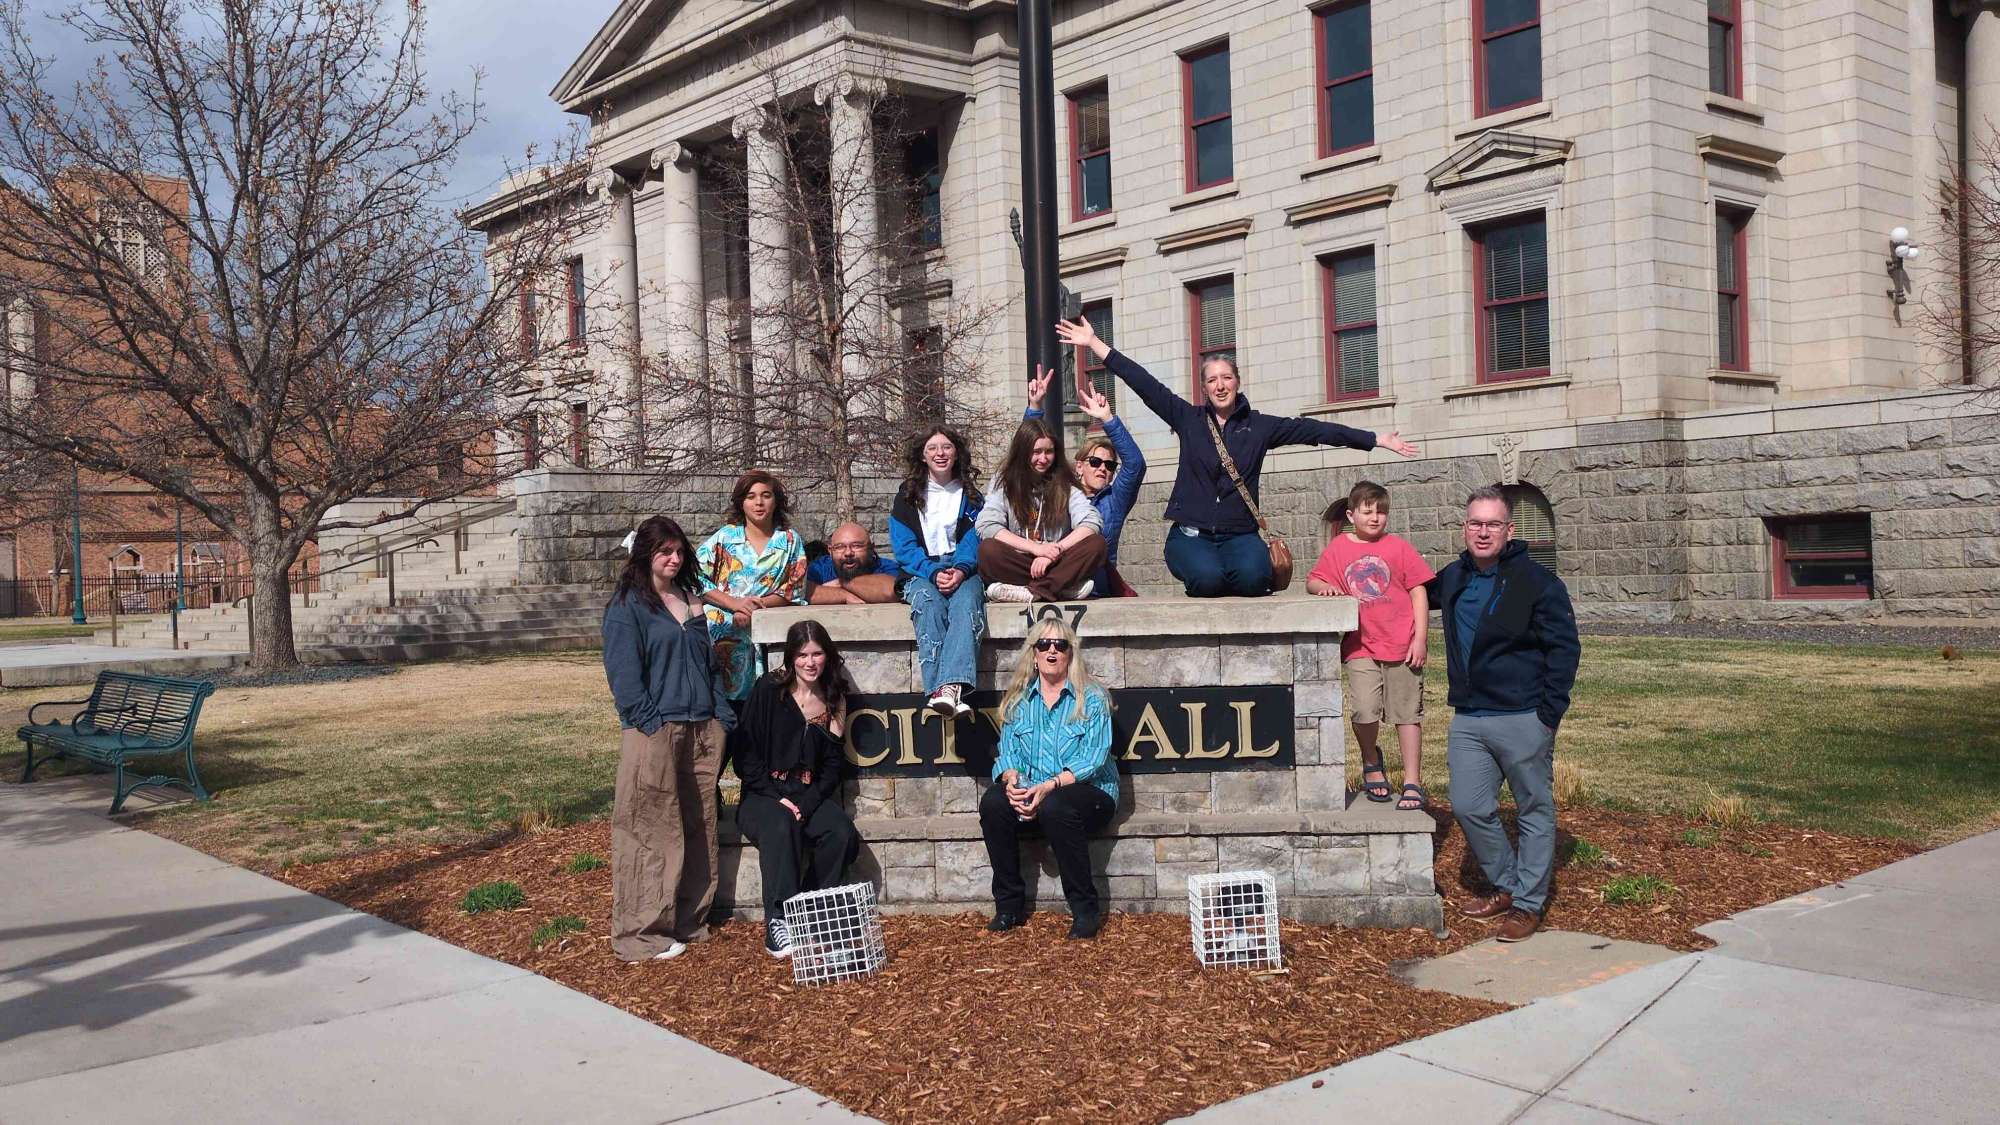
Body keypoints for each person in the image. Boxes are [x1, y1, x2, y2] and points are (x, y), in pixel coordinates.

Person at [1054, 317, 1420, 597]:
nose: (1220, 385)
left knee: (1255, 579)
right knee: (1207, 580)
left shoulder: (1259, 427)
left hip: (1240, 534)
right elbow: (1145, 384)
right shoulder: (1188, 419)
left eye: (1226, 378)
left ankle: (1234, 568)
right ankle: (1204, 571)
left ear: (1237, 382)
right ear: (1204, 387)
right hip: (1191, 534)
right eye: (1212, 380)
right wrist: (1095, 343)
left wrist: (1374, 439)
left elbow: (1315, 431)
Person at [1429, 486, 1580, 943]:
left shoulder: (1537, 582)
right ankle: (1510, 885)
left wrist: (1548, 714)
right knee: (1469, 806)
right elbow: (1404, 590)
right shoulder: (1453, 576)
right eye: (1476, 523)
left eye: (1493, 524)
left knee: (1533, 808)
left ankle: (1529, 905)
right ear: (1464, 527)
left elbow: (1564, 649)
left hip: (1523, 715)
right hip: (1469, 717)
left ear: (1509, 530)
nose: (1483, 532)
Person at [601, 515, 736, 963]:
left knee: (698, 827)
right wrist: (650, 722)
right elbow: (624, 675)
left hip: (702, 728)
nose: (674, 559)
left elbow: (708, 666)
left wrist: (721, 716)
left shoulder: (692, 601)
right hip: (654, 730)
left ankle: (687, 920)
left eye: (679, 551)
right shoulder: (628, 605)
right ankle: (642, 933)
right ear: (645, 554)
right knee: (650, 829)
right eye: (665, 552)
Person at [979, 618, 1118, 940]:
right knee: (994, 803)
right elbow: (1008, 753)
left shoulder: (1092, 698)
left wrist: (1049, 786)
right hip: (1036, 788)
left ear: (1071, 653)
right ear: (1034, 653)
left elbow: (1094, 758)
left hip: (1089, 791)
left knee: (1056, 806)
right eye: (1044, 644)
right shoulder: (1018, 700)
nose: (1052, 651)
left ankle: (1084, 910)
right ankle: (1008, 907)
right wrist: (1012, 782)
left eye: (1060, 645)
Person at [731, 619, 862, 959]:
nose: (810, 662)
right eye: (802, 655)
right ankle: (779, 919)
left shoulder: (834, 697)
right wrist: (779, 798)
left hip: (806, 793)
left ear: (827, 655)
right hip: (762, 793)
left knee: (841, 833)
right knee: (780, 823)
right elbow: (745, 756)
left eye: (817, 654)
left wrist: (806, 802)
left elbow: (832, 767)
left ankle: (809, 909)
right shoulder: (768, 689)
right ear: (791, 657)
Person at [1306, 482, 1435, 811]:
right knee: (1364, 710)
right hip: (1360, 645)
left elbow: (1419, 592)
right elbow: (1314, 580)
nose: (1375, 518)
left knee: (1407, 714)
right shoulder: (1339, 548)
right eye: (1367, 512)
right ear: (1351, 515)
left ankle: (1412, 781)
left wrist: (1420, 639)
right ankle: (1370, 760)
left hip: (1402, 645)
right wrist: (1324, 589)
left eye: (1381, 512)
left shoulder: (1399, 548)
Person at [888, 426, 986, 718]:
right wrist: (931, 572)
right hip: (921, 570)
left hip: (963, 568)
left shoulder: (972, 496)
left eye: (946, 447)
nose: (940, 453)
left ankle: (945, 690)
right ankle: (946, 689)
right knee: (928, 603)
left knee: (966, 604)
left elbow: (975, 539)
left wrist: (961, 570)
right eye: (932, 448)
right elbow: (904, 547)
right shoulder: (907, 496)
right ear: (923, 455)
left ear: (957, 453)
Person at [1024, 364, 1147, 597]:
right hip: (1054, 578)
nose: (1102, 468)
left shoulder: (1114, 500)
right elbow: (1029, 455)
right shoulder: (1059, 490)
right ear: (1079, 466)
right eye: (1095, 462)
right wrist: (1035, 407)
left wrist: (1107, 419)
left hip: (1095, 589)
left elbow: (1135, 465)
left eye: (1109, 465)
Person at [975, 412, 1108, 603]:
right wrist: (1035, 548)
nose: (1043, 459)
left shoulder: (1065, 482)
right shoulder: (1004, 481)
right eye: (1036, 452)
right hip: (1020, 560)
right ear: (1023, 452)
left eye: (1049, 452)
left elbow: (1091, 521)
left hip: (1056, 561)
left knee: (1096, 544)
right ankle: (1060, 588)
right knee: (988, 550)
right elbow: (987, 525)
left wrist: (1053, 552)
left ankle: (1036, 591)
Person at [699, 470, 808, 701]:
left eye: (766, 495)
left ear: (776, 501)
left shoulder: (790, 540)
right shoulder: (725, 537)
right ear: (741, 502)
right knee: (722, 708)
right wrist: (734, 604)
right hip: (720, 637)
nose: (759, 502)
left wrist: (753, 608)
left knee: (763, 707)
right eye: (751, 496)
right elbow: (695, 578)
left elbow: (794, 589)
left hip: (766, 638)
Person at [807, 522, 904, 605]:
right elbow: (802, 591)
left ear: (871, 548)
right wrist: (844, 595)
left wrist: (842, 582)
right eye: (840, 547)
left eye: (856, 546)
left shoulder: (885, 567)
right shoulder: (821, 568)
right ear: (830, 550)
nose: (848, 553)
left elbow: (893, 590)